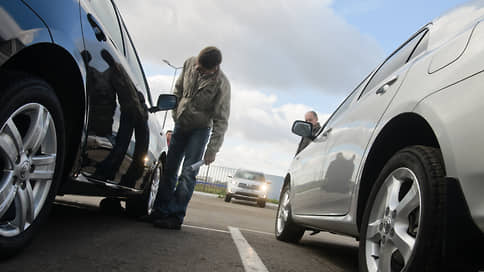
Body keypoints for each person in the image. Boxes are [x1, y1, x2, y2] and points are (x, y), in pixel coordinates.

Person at [145, 46, 231, 229]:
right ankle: (160, 211)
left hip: (199, 131)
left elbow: (221, 120)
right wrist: (176, 115)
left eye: (203, 67)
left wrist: (212, 150)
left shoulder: (222, 85)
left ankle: (175, 216)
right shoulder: (190, 63)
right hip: (180, 125)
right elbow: (178, 90)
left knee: (187, 174)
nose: (197, 68)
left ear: (215, 67)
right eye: (197, 64)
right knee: (169, 169)